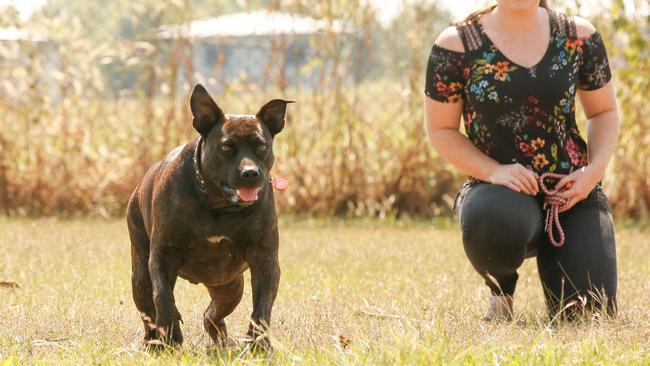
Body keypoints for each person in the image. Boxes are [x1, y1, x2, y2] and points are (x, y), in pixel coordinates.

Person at [423, 0, 619, 321]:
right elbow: (441, 130)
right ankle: (502, 293)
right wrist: (494, 171)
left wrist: (592, 173)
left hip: (570, 193)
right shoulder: (456, 45)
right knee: (493, 219)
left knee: (587, 315)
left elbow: (604, 112)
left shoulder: (579, 36)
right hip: (499, 195)